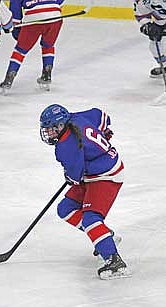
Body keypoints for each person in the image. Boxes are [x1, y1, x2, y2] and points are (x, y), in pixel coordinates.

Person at [39, 104, 131, 280]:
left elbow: (75, 175)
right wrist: (105, 131)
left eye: (51, 129)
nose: (48, 134)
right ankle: (104, 236)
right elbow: (100, 115)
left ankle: (114, 261)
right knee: (65, 209)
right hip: (96, 171)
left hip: (106, 176)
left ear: (60, 125)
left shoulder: (65, 146)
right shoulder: (74, 118)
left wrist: (70, 176)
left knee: (91, 219)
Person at [0, 0, 65, 94]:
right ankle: (47, 74)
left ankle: (9, 78)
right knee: (48, 45)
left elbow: (15, 9)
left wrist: (16, 29)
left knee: (20, 50)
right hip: (56, 16)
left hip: (34, 17)